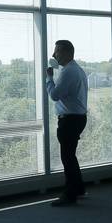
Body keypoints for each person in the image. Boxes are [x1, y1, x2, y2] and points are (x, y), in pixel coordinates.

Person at [46, 39, 88, 206]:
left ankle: (70, 194)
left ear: (67, 53)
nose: (53, 55)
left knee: (67, 157)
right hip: (77, 118)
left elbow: (55, 95)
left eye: (57, 51)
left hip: (70, 120)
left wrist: (49, 78)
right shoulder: (76, 70)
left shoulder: (69, 71)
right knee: (70, 156)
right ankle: (78, 188)